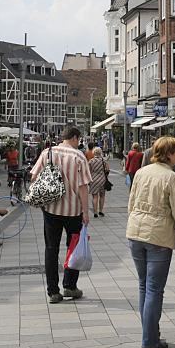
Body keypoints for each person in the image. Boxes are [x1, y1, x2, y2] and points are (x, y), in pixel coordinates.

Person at [126, 136, 175, 348]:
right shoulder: (172, 178)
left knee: (144, 286)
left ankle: (150, 333)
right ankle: (150, 340)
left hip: (135, 233)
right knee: (154, 289)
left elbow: (131, 203)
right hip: (158, 236)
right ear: (169, 153)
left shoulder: (141, 172)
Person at [30, 127, 91, 304]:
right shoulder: (79, 156)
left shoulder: (47, 153)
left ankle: (53, 292)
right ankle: (70, 286)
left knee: (51, 249)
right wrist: (86, 212)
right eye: (78, 139)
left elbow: (34, 177)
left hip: (51, 210)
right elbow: (83, 187)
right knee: (73, 247)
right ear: (74, 138)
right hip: (74, 211)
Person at [88, 147, 110, 218]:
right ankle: (100, 211)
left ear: (94, 153)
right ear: (100, 153)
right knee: (102, 196)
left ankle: (95, 212)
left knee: (95, 196)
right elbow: (107, 169)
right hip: (102, 180)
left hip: (93, 180)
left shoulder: (91, 161)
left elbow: (88, 171)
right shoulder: (104, 161)